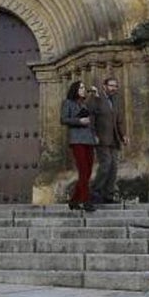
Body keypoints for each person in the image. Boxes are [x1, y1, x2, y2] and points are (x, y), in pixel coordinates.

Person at [88, 77, 126, 204]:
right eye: (111, 85)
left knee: (114, 167)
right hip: (101, 138)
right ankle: (94, 192)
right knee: (106, 164)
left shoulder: (115, 100)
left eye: (115, 86)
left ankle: (108, 195)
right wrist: (93, 134)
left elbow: (119, 120)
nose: (114, 88)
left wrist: (123, 135)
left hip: (114, 139)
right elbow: (91, 118)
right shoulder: (97, 99)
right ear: (104, 86)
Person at [61, 81, 97, 212]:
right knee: (83, 171)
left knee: (87, 172)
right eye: (81, 87)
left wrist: (94, 135)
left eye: (83, 87)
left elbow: (94, 115)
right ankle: (85, 201)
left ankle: (74, 200)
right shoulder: (68, 103)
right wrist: (79, 121)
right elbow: (63, 119)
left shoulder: (85, 104)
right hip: (77, 140)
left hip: (89, 140)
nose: (83, 89)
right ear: (75, 89)